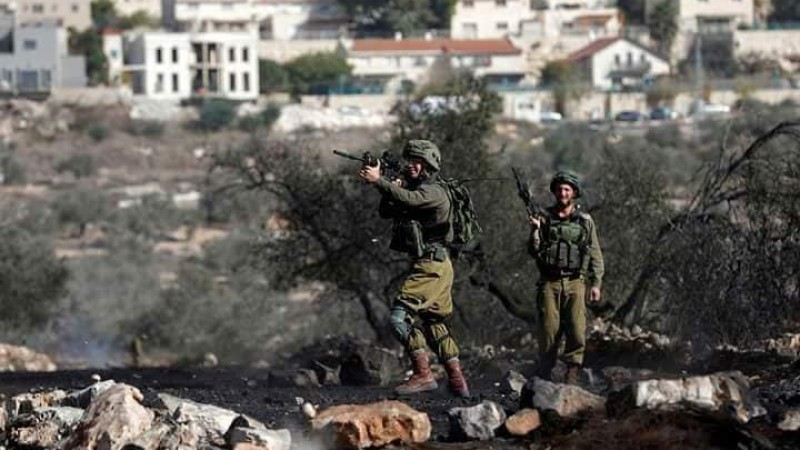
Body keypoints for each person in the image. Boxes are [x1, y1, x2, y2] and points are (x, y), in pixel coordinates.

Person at [359, 139, 469, 398]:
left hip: (432, 266)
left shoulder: (434, 192)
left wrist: (379, 181)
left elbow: (410, 199)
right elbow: (387, 211)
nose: (411, 166)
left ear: (429, 165)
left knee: (399, 318)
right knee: (433, 322)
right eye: (410, 161)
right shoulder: (417, 190)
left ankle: (423, 374)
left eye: (417, 162)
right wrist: (390, 185)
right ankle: (457, 381)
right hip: (438, 265)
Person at [528, 170, 604, 384]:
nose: (563, 193)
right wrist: (534, 231)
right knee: (548, 331)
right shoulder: (544, 218)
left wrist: (596, 283)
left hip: (575, 282)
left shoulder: (585, 221)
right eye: (560, 189)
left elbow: (595, 253)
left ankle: (572, 372)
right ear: (555, 192)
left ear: (574, 193)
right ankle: (545, 373)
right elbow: (533, 251)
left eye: (567, 190)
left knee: (577, 330)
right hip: (549, 282)